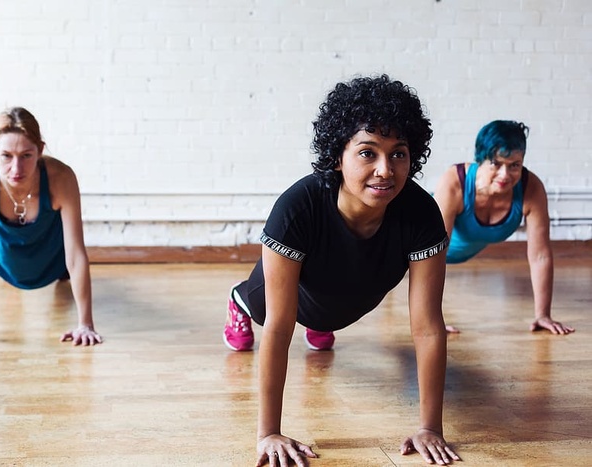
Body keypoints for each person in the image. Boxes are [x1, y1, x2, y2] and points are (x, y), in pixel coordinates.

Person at [223, 75, 460, 466]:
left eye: (398, 153)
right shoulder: (296, 209)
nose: (385, 169)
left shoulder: (420, 214)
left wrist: (430, 427)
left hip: (350, 292)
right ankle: (239, 301)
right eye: (368, 153)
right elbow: (281, 330)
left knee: (327, 316)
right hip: (293, 295)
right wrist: (268, 433)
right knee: (265, 308)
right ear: (338, 156)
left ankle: (322, 322)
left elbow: (428, 327)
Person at [0, 107, 102, 348]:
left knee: (65, 266)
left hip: (52, 255)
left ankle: (59, 275)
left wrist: (85, 324)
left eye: (26, 156)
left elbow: (75, 252)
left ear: (40, 151)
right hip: (2, 255)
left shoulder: (61, 177)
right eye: (6, 156)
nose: (16, 169)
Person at [433, 120, 574, 335]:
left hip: (457, 253)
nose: (505, 175)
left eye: (514, 165)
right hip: (415, 247)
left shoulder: (531, 189)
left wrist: (543, 314)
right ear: (480, 159)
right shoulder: (455, 182)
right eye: (496, 163)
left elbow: (541, 257)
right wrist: (432, 320)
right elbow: (433, 253)